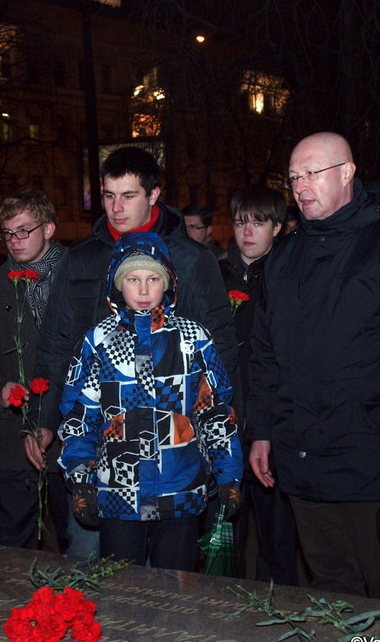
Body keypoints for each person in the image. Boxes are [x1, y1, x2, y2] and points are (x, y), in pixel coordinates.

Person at [247, 132, 380, 602]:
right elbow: (265, 353)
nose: (300, 186)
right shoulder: (283, 259)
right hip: (302, 455)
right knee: (329, 589)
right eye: (294, 177)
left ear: (347, 172)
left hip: (378, 458)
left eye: (312, 173)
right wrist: (262, 429)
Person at [27, 146, 237, 557]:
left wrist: (226, 458)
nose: (115, 208)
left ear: (154, 194)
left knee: (175, 575)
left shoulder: (191, 260)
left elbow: (221, 359)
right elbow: (56, 342)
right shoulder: (82, 258)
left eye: (127, 196)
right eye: (108, 196)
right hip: (106, 449)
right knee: (97, 562)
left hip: (176, 458)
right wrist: (43, 417)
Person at [58, 232, 242, 570]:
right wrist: (81, 478)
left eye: (153, 279)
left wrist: (230, 473)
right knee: (122, 593)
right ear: (118, 285)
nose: (143, 291)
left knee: (177, 594)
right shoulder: (98, 341)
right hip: (118, 492)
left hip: (180, 491)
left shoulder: (193, 338)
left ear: (168, 283)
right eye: (133, 279)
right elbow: (79, 416)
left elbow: (214, 411)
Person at [0, 190, 69, 551]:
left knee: (80, 545)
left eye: (24, 231)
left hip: (70, 434)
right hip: (11, 437)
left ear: (48, 228)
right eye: (7, 233)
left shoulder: (81, 276)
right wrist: (0, 387)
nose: (14, 242)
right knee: (14, 548)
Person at [220, 184, 297, 585]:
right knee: (226, 527)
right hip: (226, 417)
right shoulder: (215, 275)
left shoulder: (290, 275)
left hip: (274, 419)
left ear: (278, 227)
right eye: (239, 222)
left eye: (258, 222)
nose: (247, 232)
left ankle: (276, 600)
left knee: (276, 529)